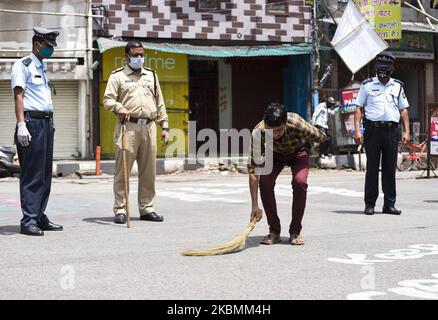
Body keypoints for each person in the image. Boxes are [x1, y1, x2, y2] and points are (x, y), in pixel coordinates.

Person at [103, 40, 169, 224]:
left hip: (149, 127)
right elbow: (107, 100)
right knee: (123, 171)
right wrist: (119, 107)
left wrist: (165, 126)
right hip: (128, 128)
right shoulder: (117, 76)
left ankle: (147, 208)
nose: (139, 58)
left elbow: (160, 103)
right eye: (135, 55)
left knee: (149, 171)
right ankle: (121, 209)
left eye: (141, 54)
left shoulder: (152, 76)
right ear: (127, 56)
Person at [248, 103, 326, 245]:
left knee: (300, 182)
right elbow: (253, 170)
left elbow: (321, 136)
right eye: (270, 130)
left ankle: (295, 232)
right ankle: (274, 231)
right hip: (275, 154)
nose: (274, 134)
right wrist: (254, 205)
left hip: (298, 152)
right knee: (265, 182)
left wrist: (317, 134)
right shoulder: (258, 132)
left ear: (285, 124)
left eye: (278, 130)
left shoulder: (296, 123)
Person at [11, 27, 63, 236]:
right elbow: (19, 96)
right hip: (31, 123)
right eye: (48, 46)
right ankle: (28, 220)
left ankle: (39, 215)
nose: (51, 49)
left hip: (45, 124)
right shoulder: (22, 65)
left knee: (44, 174)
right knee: (32, 174)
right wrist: (21, 124)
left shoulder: (42, 67)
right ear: (37, 44)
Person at [354, 53, 410, 216]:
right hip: (373, 130)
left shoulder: (397, 86)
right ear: (376, 68)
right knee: (371, 168)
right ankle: (369, 204)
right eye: (380, 68)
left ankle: (389, 205)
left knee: (389, 168)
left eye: (386, 68)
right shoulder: (367, 85)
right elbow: (359, 108)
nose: (382, 72)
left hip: (391, 131)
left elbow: (403, 110)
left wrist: (406, 131)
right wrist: (358, 130)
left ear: (392, 68)